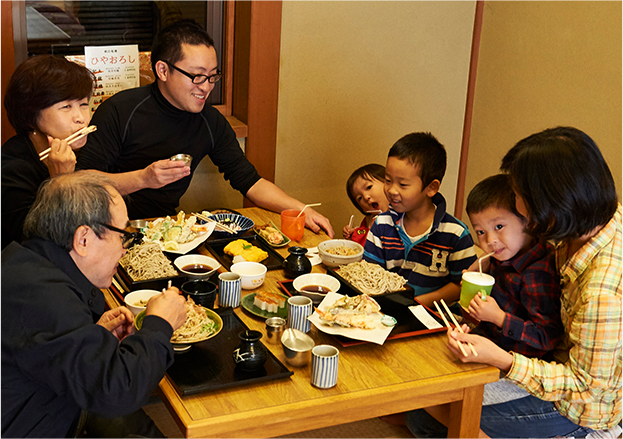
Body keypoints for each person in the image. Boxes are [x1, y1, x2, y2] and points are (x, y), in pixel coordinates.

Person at [407, 127, 623, 439]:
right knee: (428, 398)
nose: (516, 203)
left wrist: (499, 358)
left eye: (520, 196)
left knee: (434, 416)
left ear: (552, 200)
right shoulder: (584, 221)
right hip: (544, 359)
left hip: (578, 409)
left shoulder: (602, 291)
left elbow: (584, 389)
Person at [77, 20, 334, 237]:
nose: (207, 86)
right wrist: (144, 178)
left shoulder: (210, 122)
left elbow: (250, 182)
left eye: (213, 75)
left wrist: (302, 210)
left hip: (167, 231)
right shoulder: (122, 110)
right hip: (105, 229)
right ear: (163, 70)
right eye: (197, 76)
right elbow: (79, 182)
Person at [0, 171, 187, 439]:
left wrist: (90, 335)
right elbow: (116, 391)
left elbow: (50, 349)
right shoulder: (46, 300)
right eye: (121, 235)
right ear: (83, 239)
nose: (124, 250)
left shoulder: (28, 266)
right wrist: (160, 324)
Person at [363, 132, 477, 307]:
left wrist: (416, 303)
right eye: (387, 180)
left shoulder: (455, 234)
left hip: (436, 318)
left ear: (431, 188)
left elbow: (461, 284)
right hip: (386, 313)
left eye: (403, 184)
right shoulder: (381, 225)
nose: (392, 190)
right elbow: (369, 275)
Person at [0, 55, 95, 252]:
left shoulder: (79, 151)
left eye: (84, 104)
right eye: (66, 106)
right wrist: (61, 180)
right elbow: (36, 245)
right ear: (31, 116)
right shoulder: (10, 169)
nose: (81, 118)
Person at [465, 173, 563, 358]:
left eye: (499, 227)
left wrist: (498, 317)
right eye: (480, 231)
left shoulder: (538, 271)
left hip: (518, 362)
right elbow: (480, 319)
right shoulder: (500, 257)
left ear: (528, 220)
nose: (490, 241)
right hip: (489, 341)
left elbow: (547, 337)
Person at [342, 163, 389, 245]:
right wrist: (355, 232)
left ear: (388, 182)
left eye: (369, 187)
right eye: (359, 198)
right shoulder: (369, 219)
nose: (366, 197)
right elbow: (364, 233)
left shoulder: (400, 216)